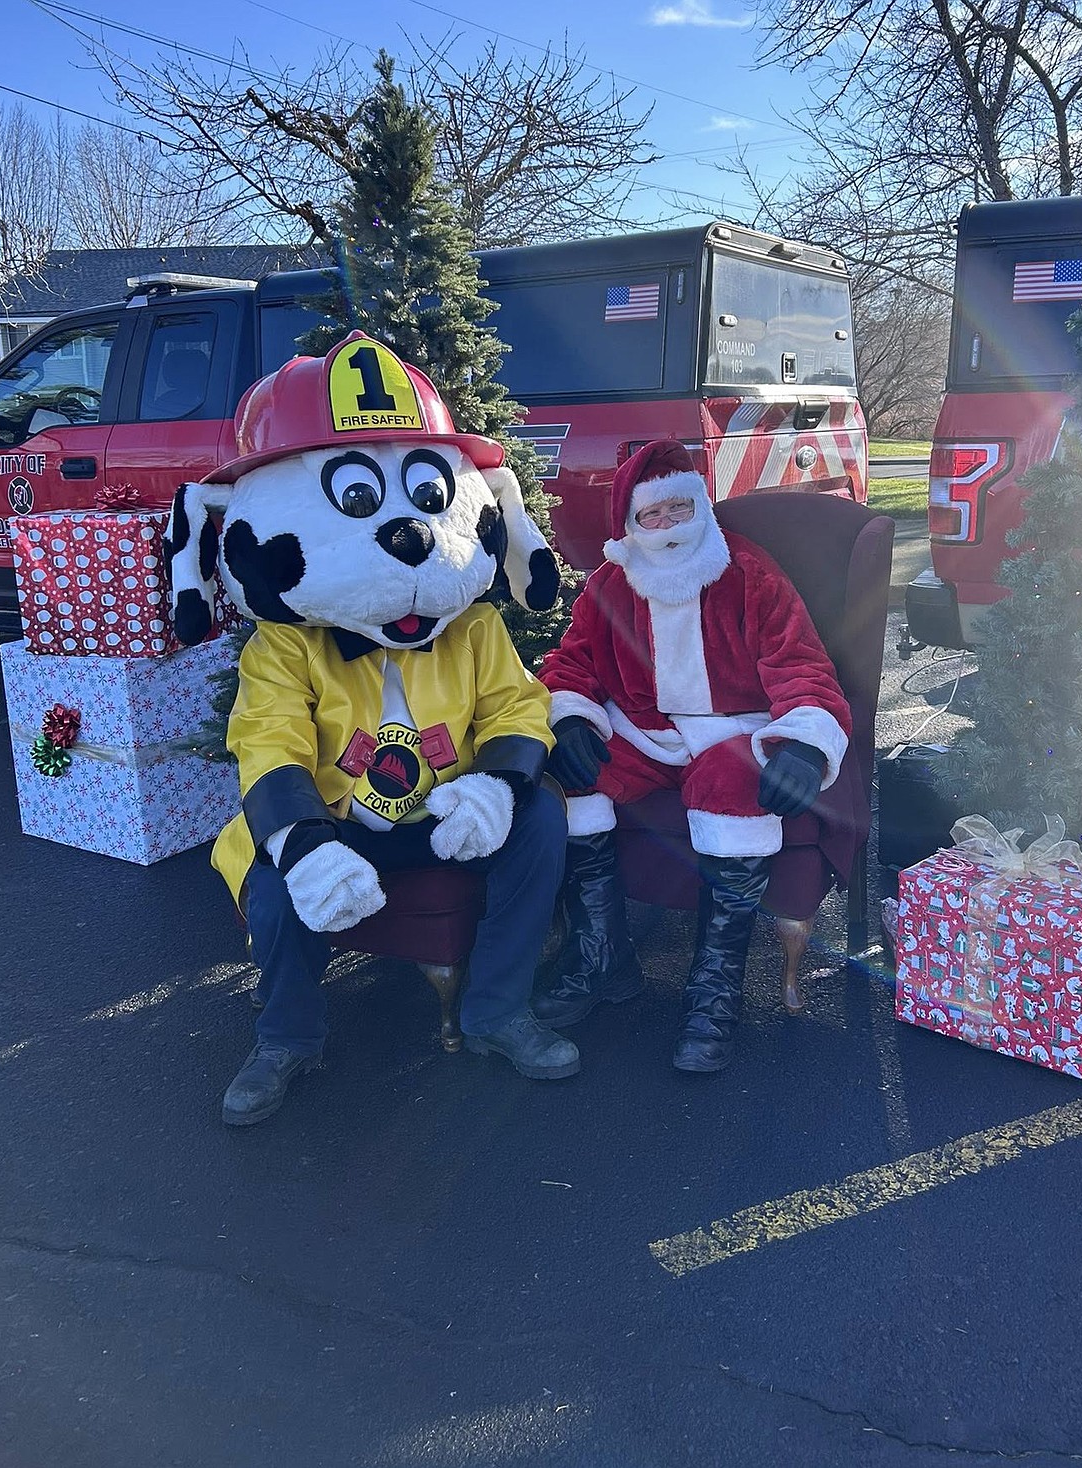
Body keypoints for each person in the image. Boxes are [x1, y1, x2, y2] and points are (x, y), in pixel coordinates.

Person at [165, 333, 579, 1125]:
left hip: (449, 815)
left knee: (543, 816)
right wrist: (304, 842)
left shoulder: (474, 627)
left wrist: (497, 784)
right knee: (279, 874)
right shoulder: (285, 642)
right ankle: (286, 1037)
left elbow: (517, 706)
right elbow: (268, 741)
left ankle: (496, 1012)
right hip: (337, 821)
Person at [535, 439, 852, 1072]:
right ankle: (604, 959)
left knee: (730, 781)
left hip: (730, 730)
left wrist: (804, 745)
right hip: (646, 731)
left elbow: (799, 663)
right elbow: (571, 662)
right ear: (628, 524)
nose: (667, 527)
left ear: (701, 508)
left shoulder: (749, 573)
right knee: (568, 778)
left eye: (679, 510)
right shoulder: (608, 583)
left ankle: (714, 992)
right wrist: (568, 716)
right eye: (651, 516)